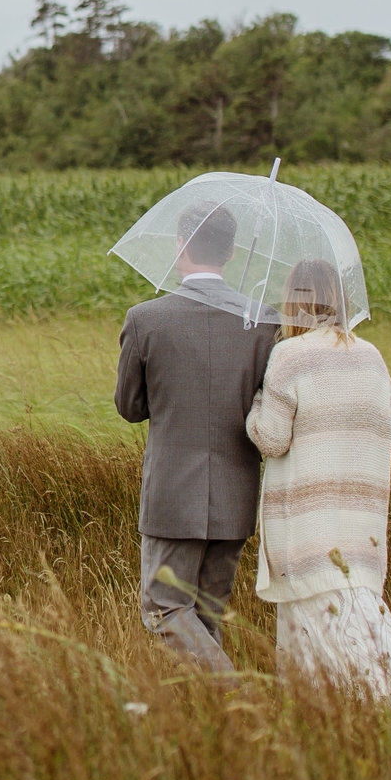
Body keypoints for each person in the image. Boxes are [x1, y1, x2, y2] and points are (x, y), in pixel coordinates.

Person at [245, 257, 391, 708]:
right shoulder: (372, 357)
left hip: (308, 534)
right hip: (362, 531)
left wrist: (257, 401)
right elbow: (389, 439)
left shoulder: (289, 356)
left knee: (337, 647)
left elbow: (272, 439)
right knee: (354, 635)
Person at [114, 201, 276, 673]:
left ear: (181, 246)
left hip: (171, 493)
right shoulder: (261, 321)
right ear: (228, 254)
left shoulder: (146, 318)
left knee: (163, 608)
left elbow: (130, 408)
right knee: (206, 615)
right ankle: (220, 725)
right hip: (236, 490)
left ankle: (237, 691)